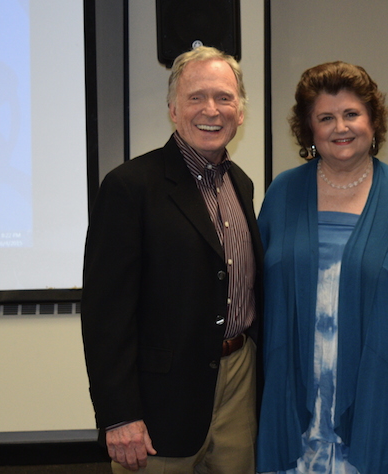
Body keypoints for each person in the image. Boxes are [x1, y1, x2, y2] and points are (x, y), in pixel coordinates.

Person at [81, 46, 263, 473]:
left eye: (224, 97)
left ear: (240, 111)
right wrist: (119, 414)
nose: (211, 110)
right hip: (161, 402)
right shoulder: (130, 187)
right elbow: (105, 313)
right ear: (173, 109)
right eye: (196, 97)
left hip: (239, 383)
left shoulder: (242, 184)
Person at [255, 61, 388, 474]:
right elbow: (254, 289)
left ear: (373, 120)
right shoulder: (282, 193)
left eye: (351, 114)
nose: (340, 127)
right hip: (294, 395)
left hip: (378, 397)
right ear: (308, 129)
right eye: (325, 118)